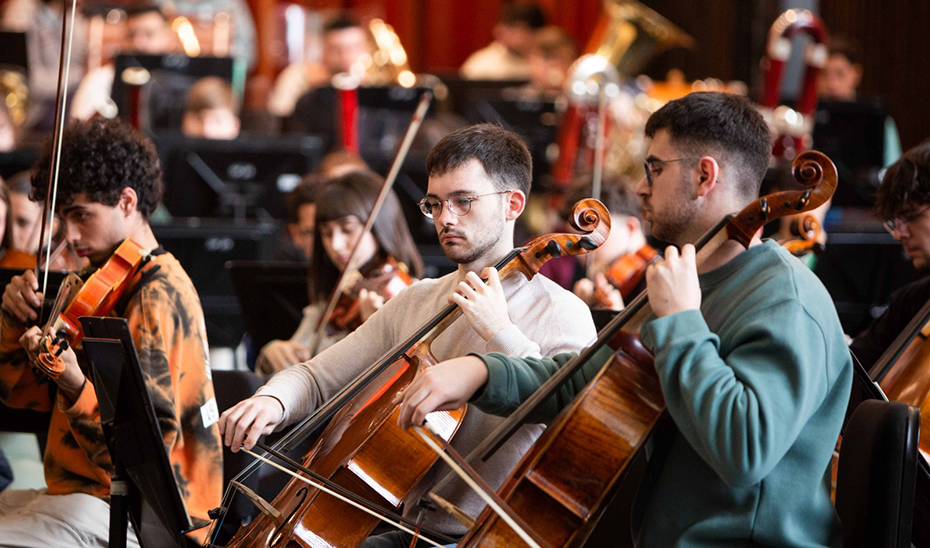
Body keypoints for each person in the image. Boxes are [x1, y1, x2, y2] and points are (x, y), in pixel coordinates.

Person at [396, 93, 853, 548]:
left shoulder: (785, 299)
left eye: (655, 168)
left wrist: (681, 322)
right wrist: (481, 370)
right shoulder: (685, 277)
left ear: (704, 176)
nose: (640, 187)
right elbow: (584, 381)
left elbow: (745, 452)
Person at [219, 124, 597, 547]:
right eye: (434, 204)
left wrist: (500, 331)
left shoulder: (563, 313)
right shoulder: (418, 300)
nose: (445, 218)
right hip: (407, 530)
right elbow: (317, 377)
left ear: (513, 205)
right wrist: (273, 399)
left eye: (463, 201)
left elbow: (571, 423)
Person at [0, 118, 223, 547]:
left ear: (126, 201)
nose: (71, 236)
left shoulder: (156, 294)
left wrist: (73, 382)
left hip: (144, 517)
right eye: (63, 218)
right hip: (78, 496)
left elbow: (140, 462)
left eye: (82, 216)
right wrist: (13, 324)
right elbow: (19, 396)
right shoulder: (94, 280)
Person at [257, 169, 424, 374]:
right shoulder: (332, 298)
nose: (335, 245)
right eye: (326, 233)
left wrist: (377, 337)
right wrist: (270, 354)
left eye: (347, 229)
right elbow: (298, 368)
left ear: (379, 226)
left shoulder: (414, 296)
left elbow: (413, 376)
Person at [850, 139, 930, 370]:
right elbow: (852, 369)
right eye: (895, 222)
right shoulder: (910, 302)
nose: (898, 234)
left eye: (910, 216)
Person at [70, 4, 178, 121]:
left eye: (149, 34)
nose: (138, 43)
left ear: (168, 39)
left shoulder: (179, 80)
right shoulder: (101, 79)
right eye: (131, 35)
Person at [268, 13, 373, 117]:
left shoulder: (375, 78)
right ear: (323, 50)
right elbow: (278, 114)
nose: (346, 57)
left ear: (367, 48)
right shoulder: (299, 75)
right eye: (336, 50)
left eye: (354, 48)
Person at [818, 36, 901, 167]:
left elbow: (892, 170)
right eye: (824, 74)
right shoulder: (811, 117)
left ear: (856, 73)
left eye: (840, 74)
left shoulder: (879, 121)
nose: (832, 84)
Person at [460, 2, 546, 81]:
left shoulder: (550, 64)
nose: (499, 30)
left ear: (535, 32)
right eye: (503, 25)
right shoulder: (483, 64)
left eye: (513, 26)